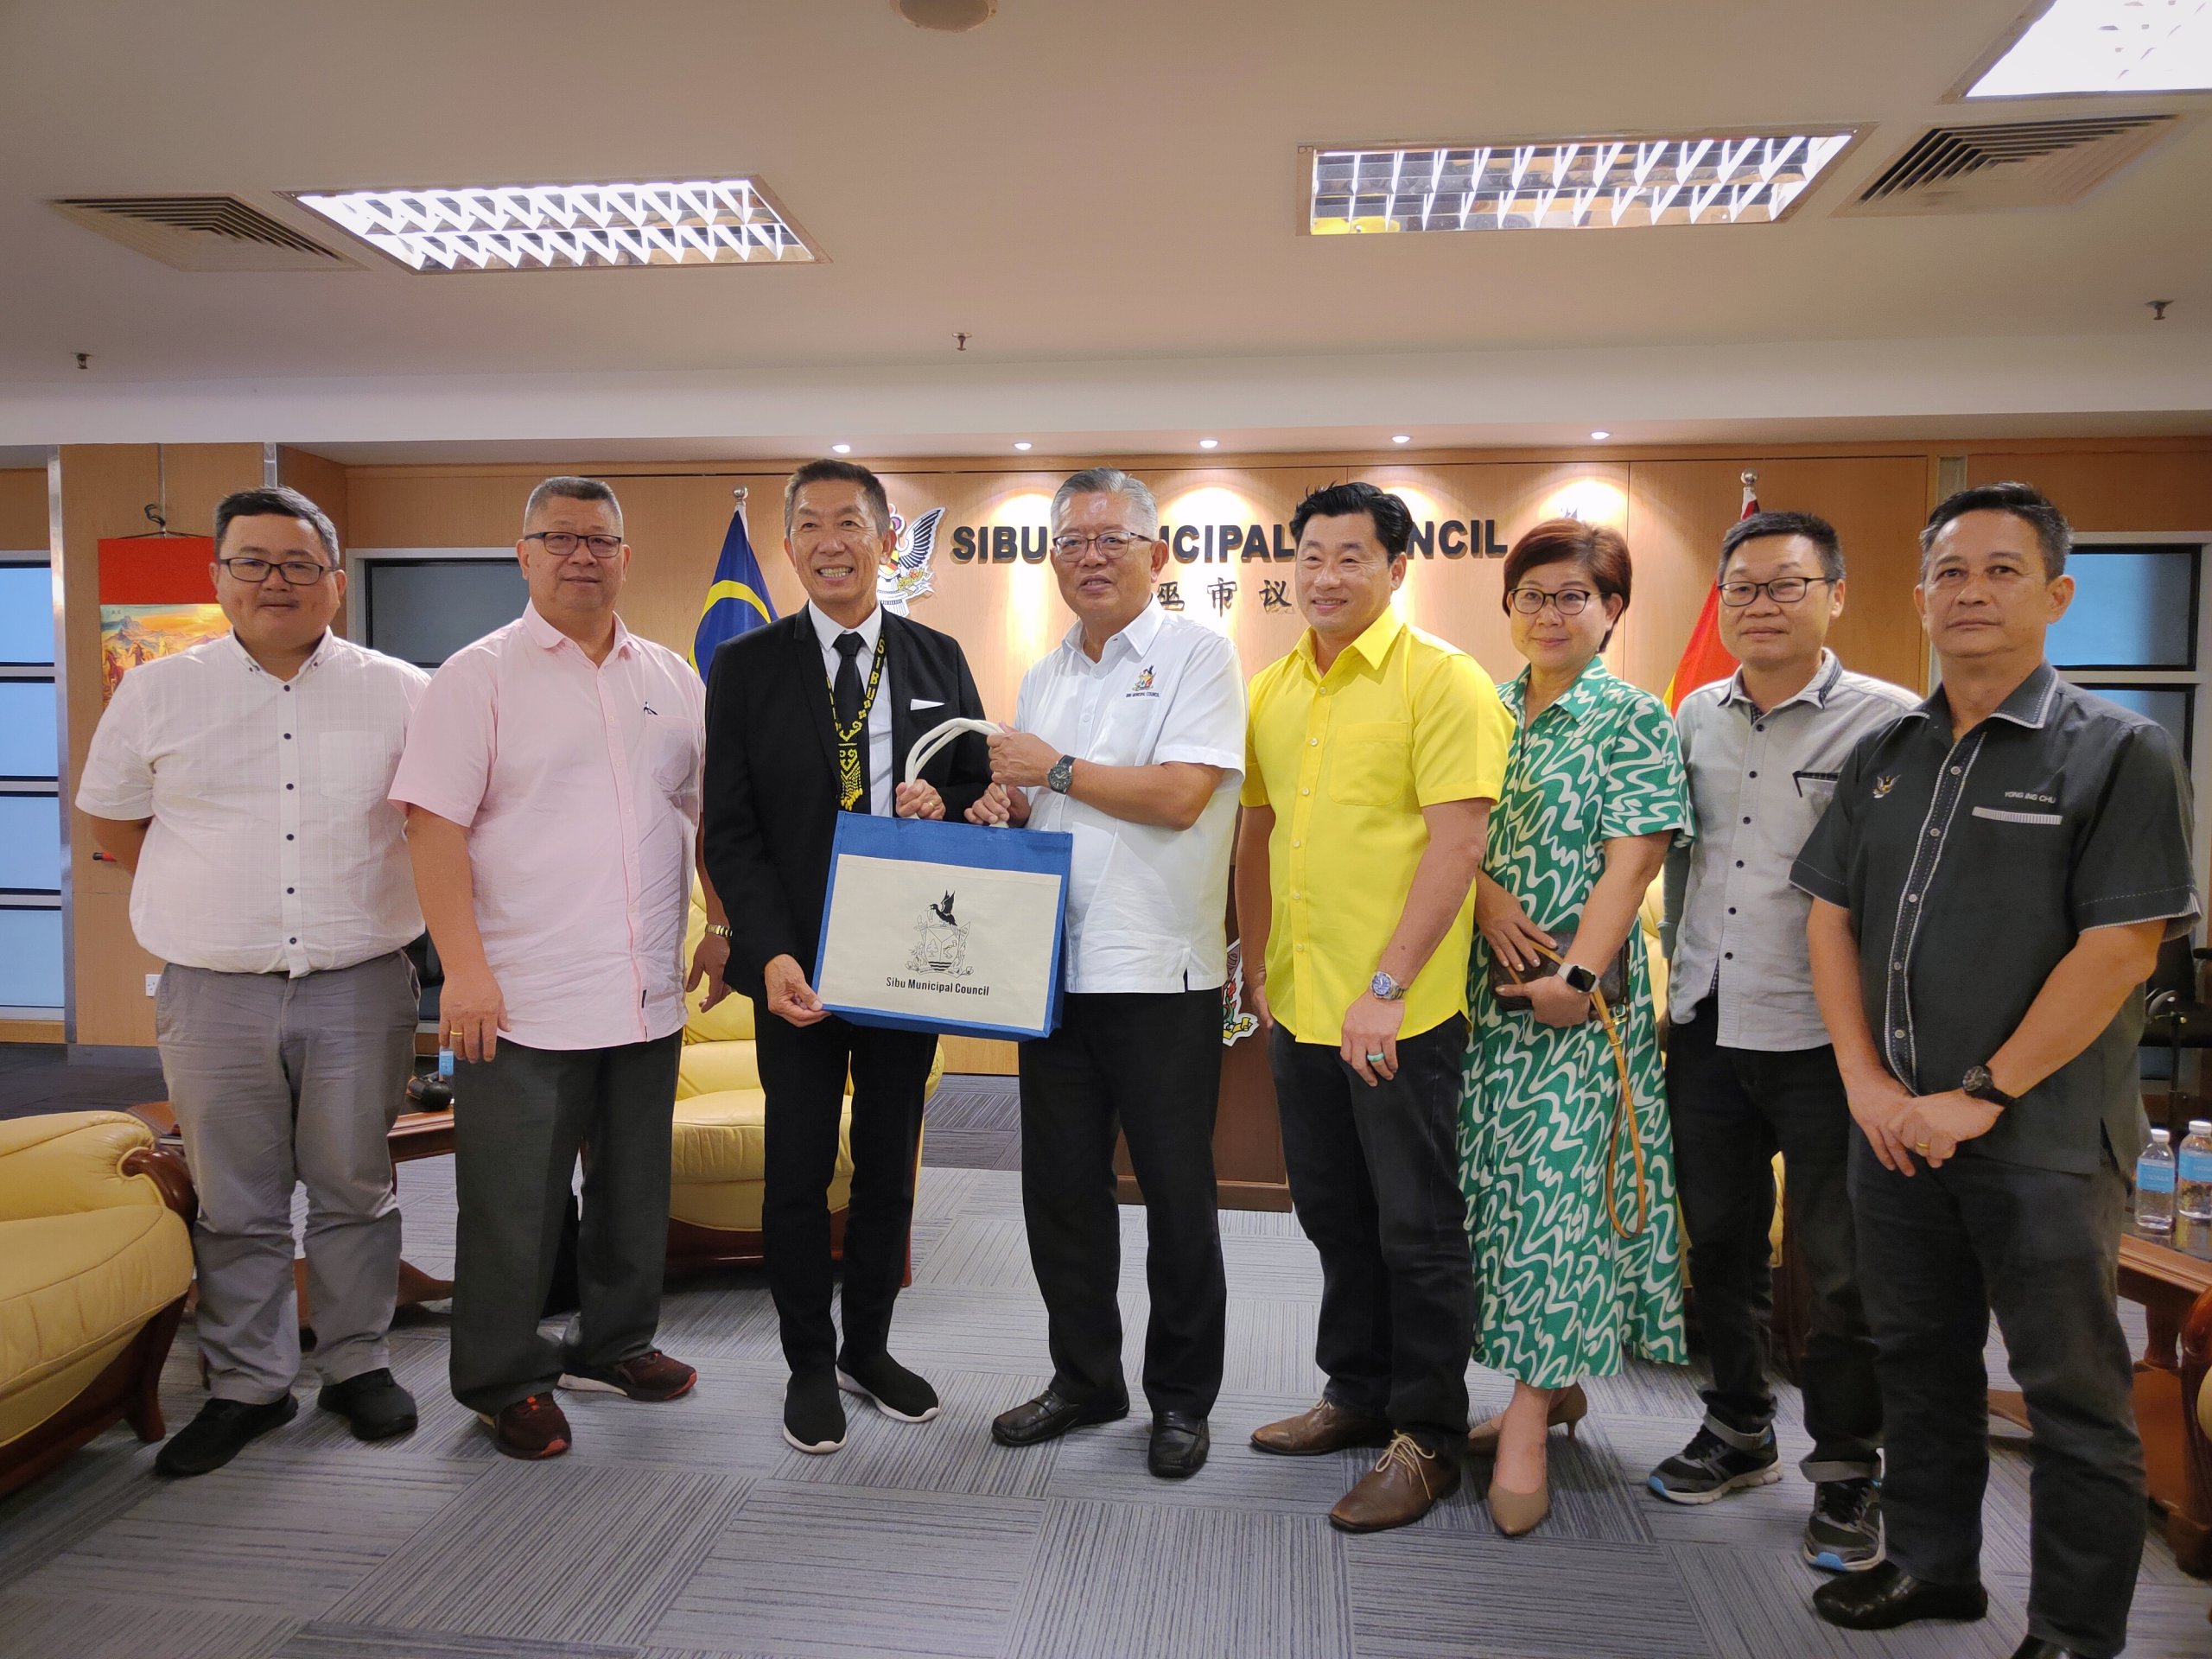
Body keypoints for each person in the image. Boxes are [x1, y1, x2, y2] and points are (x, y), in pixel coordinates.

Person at [1795, 482, 2196, 1659]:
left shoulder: (2119, 750)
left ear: (2057, 594)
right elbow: (1828, 918)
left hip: (2042, 1144)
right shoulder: (1887, 753)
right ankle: (1932, 1569)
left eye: (2001, 570)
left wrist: (1982, 1096)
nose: (1970, 592)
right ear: (1918, 595)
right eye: (1950, 572)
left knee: (2072, 1393)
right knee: (1915, 1362)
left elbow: (2121, 946)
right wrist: (1866, 1084)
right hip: (1894, 1131)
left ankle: (2075, 1629)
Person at [78, 485, 427, 1475]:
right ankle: (248, 1385)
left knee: (356, 1186)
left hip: (359, 982)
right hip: (212, 989)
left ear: (334, 580)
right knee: (238, 1200)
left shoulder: (402, 689)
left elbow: (438, 825)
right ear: (218, 577)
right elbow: (112, 823)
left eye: (300, 564)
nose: (278, 582)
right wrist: (203, 897)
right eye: (254, 562)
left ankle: (356, 1362)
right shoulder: (154, 689)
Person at [391, 475, 720, 1460]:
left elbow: (706, 816)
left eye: (601, 540)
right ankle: (503, 1377)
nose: (583, 555)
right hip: (520, 1000)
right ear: (523, 554)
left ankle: (613, 1341)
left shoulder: (669, 676)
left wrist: (726, 926)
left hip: (645, 991)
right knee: (512, 1203)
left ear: (627, 555)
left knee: (632, 1192)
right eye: (561, 538)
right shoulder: (476, 676)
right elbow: (431, 827)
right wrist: (464, 976)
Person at [702, 457, 992, 1455]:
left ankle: (870, 1346)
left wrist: (945, 803)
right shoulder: (744, 667)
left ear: (884, 541)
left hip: (905, 960)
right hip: (796, 969)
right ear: (788, 547)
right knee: (795, 1171)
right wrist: (769, 952)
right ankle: (807, 1364)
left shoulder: (936, 656)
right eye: (811, 525)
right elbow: (729, 830)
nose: (831, 540)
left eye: (850, 523)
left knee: (885, 1169)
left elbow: (976, 787)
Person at [1239, 481, 1511, 1532]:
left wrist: (1386, 989)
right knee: (1333, 1216)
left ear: (1397, 568)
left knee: (1418, 1229)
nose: (1325, 576)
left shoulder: (1442, 683)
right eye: (1309, 556)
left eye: (1350, 557)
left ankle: (1429, 1437)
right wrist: (1262, 964)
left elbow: (1458, 846)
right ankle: (1354, 1394)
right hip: (1303, 1005)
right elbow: (1257, 833)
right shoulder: (1272, 689)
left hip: (1397, 1013)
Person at [1649, 511, 1914, 1571]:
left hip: (1824, 1036)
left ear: (1834, 596)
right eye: (1743, 589)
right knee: (1715, 1243)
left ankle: (1849, 1470)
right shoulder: (1691, 715)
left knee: (1839, 1264)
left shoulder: (1891, 724)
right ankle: (1738, 1425)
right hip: (1707, 1021)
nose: (1760, 606)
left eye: (1785, 586)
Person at [971, 467, 1243, 1479]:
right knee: (1061, 1193)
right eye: (1071, 541)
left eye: (1111, 539)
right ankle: (1084, 1378)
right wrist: (1003, 804)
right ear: (1052, 560)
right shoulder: (1046, 675)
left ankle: (1181, 1400)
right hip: (1051, 969)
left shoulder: (1198, 657)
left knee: (1177, 1197)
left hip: (1157, 972)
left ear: (1157, 555)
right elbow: (1048, 803)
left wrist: (1053, 773)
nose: (1089, 556)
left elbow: (1179, 797)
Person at [1460, 517, 1692, 1537]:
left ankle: (1521, 1423)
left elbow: (1631, 860)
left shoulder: (1631, 717)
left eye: (1573, 596)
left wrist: (1574, 975)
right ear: (1507, 607)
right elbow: (1438, 828)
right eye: (1532, 594)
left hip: (1579, 1012)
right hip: (1481, 1003)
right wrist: (1481, 898)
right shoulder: (1483, 707)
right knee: (1497, 1203)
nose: (1550, 613)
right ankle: (1550, 1390)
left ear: (1612, 611)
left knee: (1557, 1211)